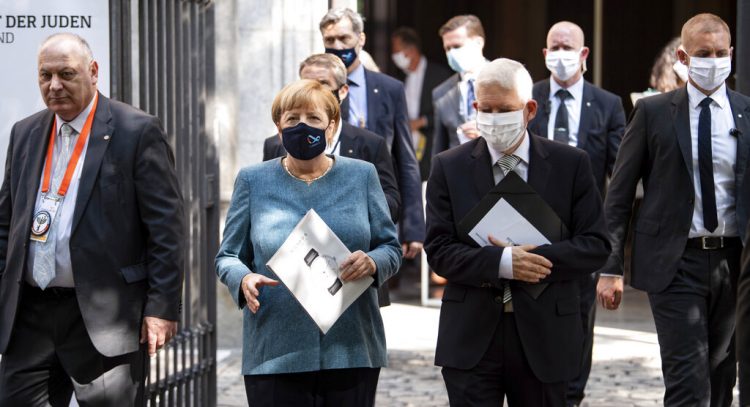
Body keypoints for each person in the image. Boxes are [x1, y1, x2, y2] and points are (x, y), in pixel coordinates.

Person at [0, 33, 184, 405]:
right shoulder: (25, 133)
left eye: (66, 74)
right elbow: (7, 222)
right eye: (45, 75)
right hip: (29, 316)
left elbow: (166, 228)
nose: (54, 86)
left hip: (104, 319)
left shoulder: (136, 130)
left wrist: (161, 307)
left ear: (93, 71)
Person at [425, 58, 610, 406]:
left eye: (505, 109)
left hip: (546, 338)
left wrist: (534, 260)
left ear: (529, 109)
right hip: (472, 337)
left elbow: (595, 245)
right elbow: (438, 250)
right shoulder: (448, 167)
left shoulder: (571, 164)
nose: (494, 118)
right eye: (486, 108)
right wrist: (502, 263)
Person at [216, 79, 402, 406]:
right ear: (278, 127)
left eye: (313, 118)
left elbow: (390, 248)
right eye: (292, 119)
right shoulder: (252, 180)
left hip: (350, 346)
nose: (303, 126)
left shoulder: (362, 175)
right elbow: (228, 256)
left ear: (331, 127)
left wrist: (373, 262)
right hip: (275, 348)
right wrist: (243, 278)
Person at [598, 13, 750, 407]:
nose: (713, 60)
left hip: (733, 262)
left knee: (721, 378)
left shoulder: (746, 114)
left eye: (720, 52)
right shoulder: (654, 113)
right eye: (703, 53)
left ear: (731, 54)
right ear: (683, 57)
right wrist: (611, 267)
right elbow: (620, 192)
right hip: (675, 262)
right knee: (687, 382)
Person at [526, 21, 626, 407]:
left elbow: (619, 175)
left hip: (581, 233)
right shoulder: (530, 97)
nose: (560, 54)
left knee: (578, 323)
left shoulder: (607, 104)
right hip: (531, 226)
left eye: (568, 47)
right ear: (545, 52)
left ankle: (570, 396)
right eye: (554, 46)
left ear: (584, 54)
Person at [262, 53, 400, 307]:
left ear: (342, 91)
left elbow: (391, 203)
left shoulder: (370, 144)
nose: (313, 92)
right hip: (294, 280)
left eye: (323, 85)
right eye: (306, 83)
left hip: (349, 279)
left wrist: (351, 212)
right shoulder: (273, 146)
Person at [320, 7, 424, 263]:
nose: (337, 45)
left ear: (361, 39)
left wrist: (413, 226)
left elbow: (406, 159)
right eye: (330, 40)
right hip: (326, 209)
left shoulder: (390, 89)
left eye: (344, 38)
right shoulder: (313, 87)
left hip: (376, 208)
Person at [391, 26, 452, 179]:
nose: (394, 56)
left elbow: (447, 112)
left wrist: (421, 121)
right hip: (405, 145)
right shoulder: (399, 76)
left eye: (396, 51)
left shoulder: (439, 75)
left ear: (410, 51)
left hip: (430, 147)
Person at [431, 15, 489, 157]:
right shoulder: (441, 92)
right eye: (447, 48)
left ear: (478, 43)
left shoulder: (506, 79)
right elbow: (440, 147)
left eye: (457, 46)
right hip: (458, 174)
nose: (452, 53)